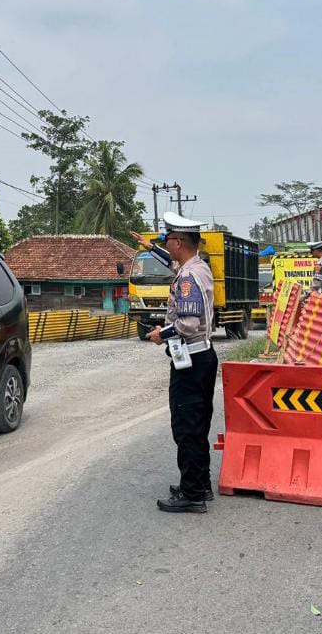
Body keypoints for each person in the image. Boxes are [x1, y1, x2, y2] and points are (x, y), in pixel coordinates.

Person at [135, 213, 218, 513]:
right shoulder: (198, 267)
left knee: (186, 427)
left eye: (167, 239)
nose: (165, 242)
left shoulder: (187, 278)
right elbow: (171, 263)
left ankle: (192, 494)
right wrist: (150, 248)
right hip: (202, 357)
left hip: (191, 361)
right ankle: (199, 483)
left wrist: (160, 333)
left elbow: (188, 322)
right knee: (197, 425)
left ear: (179, 242)